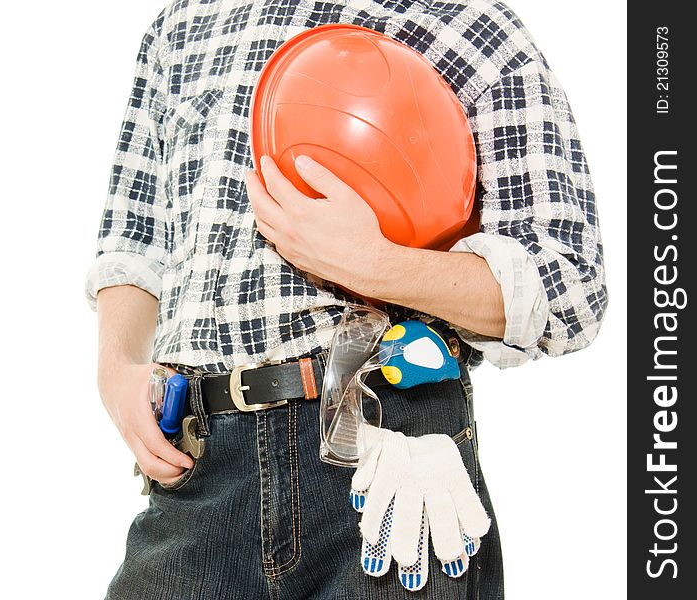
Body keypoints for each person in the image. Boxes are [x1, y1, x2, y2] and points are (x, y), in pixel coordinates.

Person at [86, 1, 607, 598]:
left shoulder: (466, 21)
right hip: (198, 462)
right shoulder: (182, 24)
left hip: (393, 457)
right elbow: (133, 238)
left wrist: (376, 265)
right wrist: (116, 366)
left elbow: (571, 288)